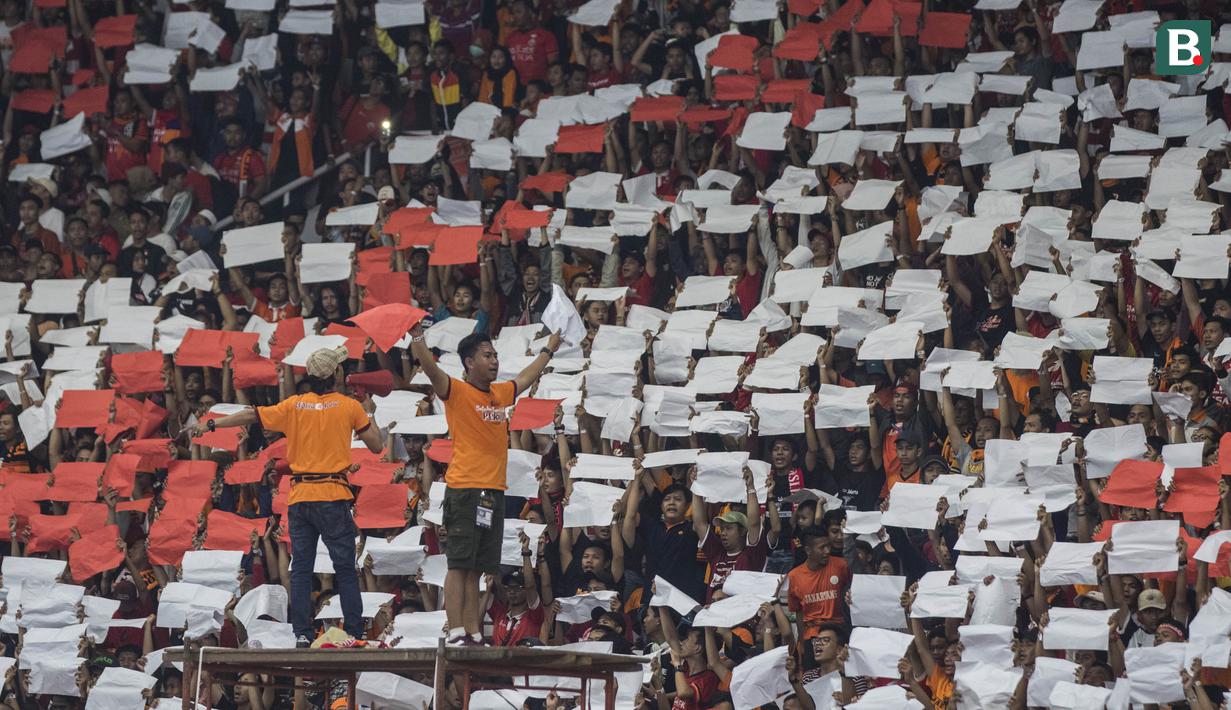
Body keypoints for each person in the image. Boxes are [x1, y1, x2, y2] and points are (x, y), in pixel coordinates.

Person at [192, 346, 383, 646]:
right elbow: (376, 445)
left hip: (300, 498)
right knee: (344, 568)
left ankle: (302, 636)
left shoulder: (294, 405)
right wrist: (369, 410)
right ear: (336, 374)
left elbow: (250, 414)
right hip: (332, 495)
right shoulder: (350, 407)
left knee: (302, 570)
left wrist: (210, 424)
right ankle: (355, 634)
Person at [408, 322, 561, 644]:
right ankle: (456, 630)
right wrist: (418, 338)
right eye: (487, 355)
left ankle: (473, 631)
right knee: (459, 564)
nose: (494, 361)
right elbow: (429, 368)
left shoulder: (498, 394)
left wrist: (548, 350)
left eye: (495, 356)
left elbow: (524, 379)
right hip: (465, 488)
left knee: (478, 566)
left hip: (492, 493)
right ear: (469, 362)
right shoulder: (456, 391)